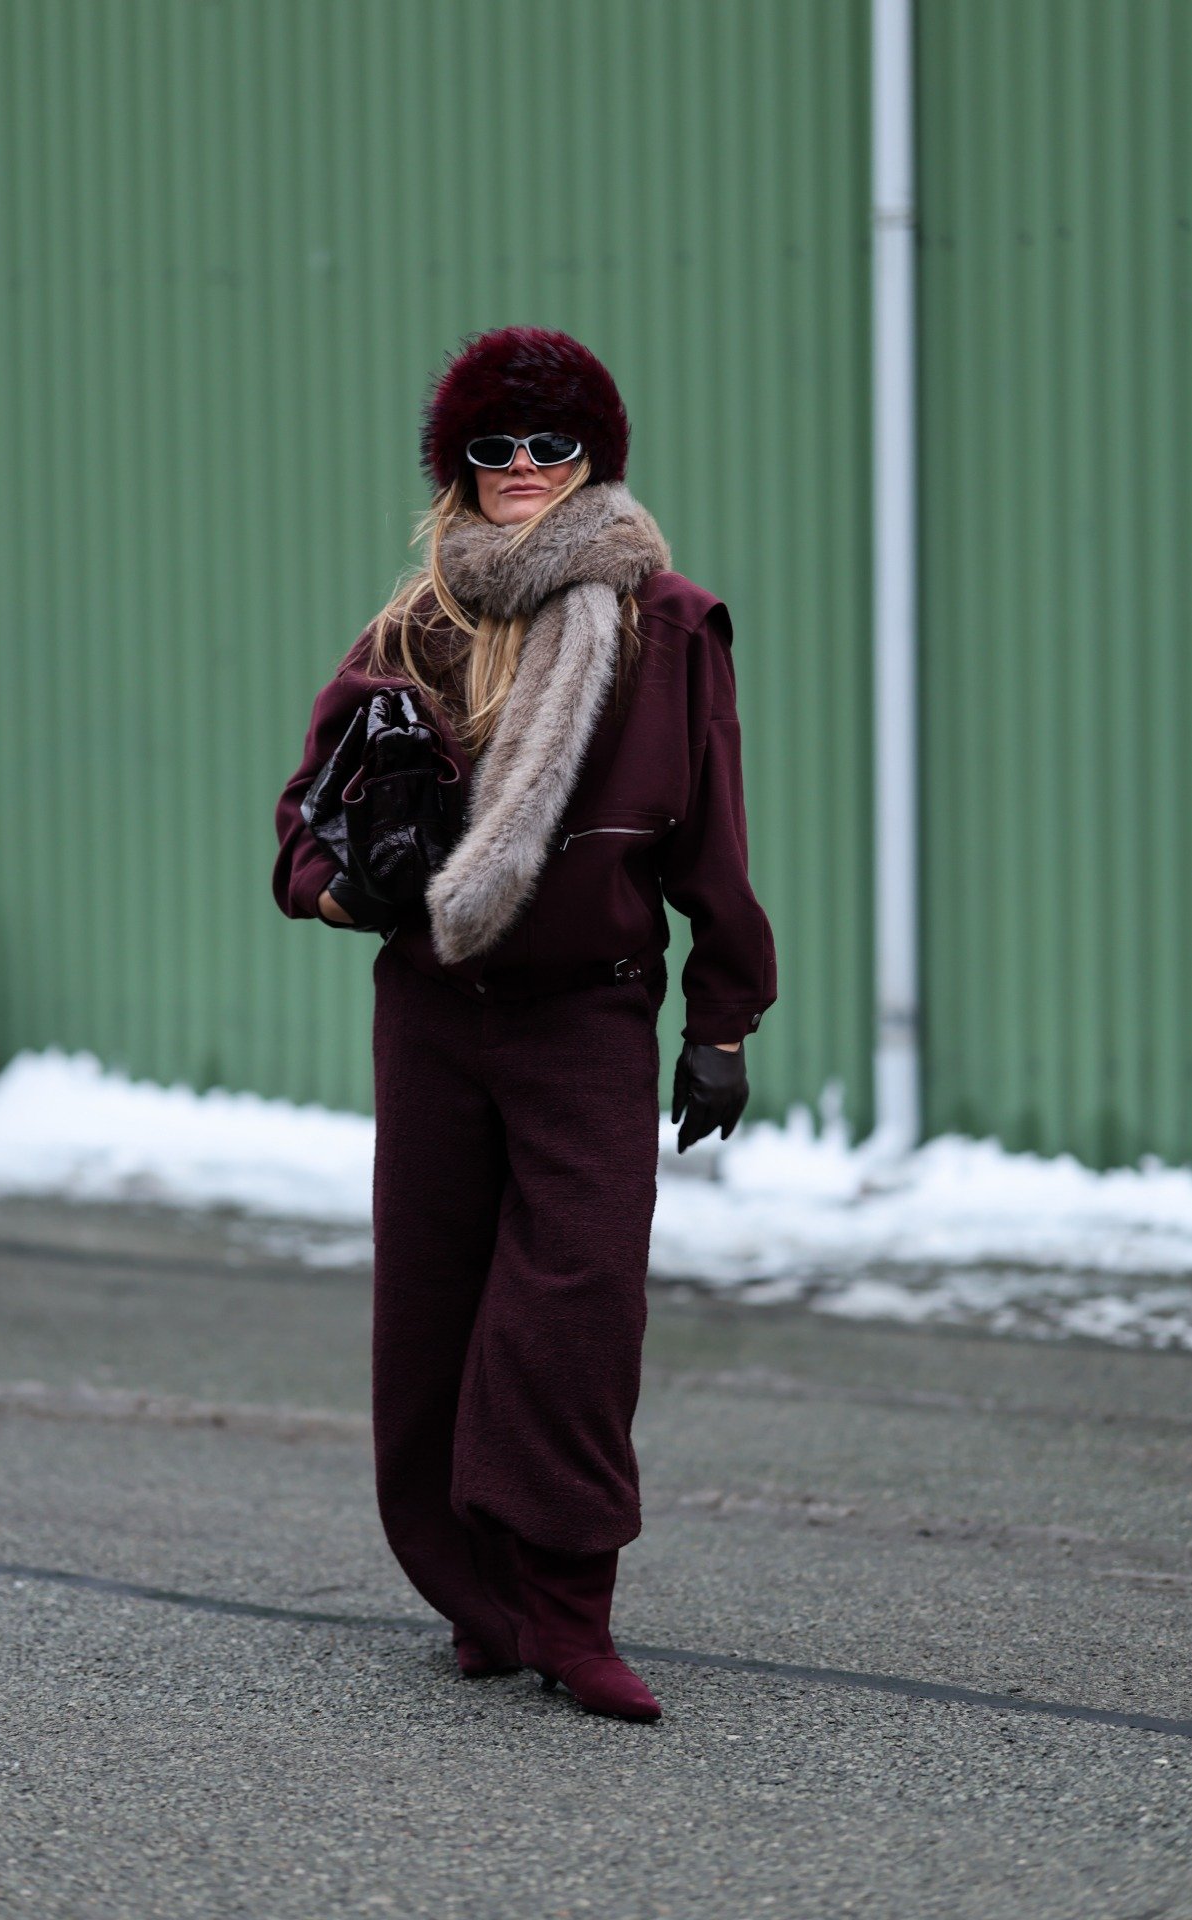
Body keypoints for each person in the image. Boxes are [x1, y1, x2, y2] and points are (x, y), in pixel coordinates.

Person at [273, 326, 777, 1723]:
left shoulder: (666, 622)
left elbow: (712, 841)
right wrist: (337, 890)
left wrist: (723, 1015)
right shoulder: (420, 619)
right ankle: (479, 1602)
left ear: (592, 457)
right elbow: (305, 815)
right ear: (458, 466)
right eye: (489, 448)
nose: (517, 470)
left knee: (573, 1318)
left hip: (586, 1022)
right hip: (435, 1015)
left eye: (547, 445)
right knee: (431, 1316)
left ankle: (570, 1612)